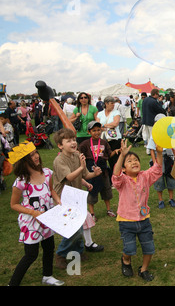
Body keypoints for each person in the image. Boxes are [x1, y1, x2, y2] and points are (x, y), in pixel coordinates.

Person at [8, 142, 64, 286]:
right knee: (31, 254)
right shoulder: (21, 181)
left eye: (36, 152)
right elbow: (14, 204)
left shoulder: (47, 173)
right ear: (24, 161)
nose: (36, 156)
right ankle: (13, 283)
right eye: (31, 155)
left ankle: (47, 275)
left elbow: (51, 190)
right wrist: (33, 213)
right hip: (31, 222)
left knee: (49, 247)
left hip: (47, 217)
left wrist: (57, 200)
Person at [112, 139, 163, 281]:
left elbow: (157, 169)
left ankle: (143, 269)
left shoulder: (145, 176)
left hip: (144, 220)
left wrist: (159, 153)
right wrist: (122, 155)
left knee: (149, 248)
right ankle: (126, 260)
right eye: (129, 161)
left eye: (136, 160)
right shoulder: (122, 180)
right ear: (123, 168)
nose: (134, 162)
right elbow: (115, 176)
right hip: (126, 222)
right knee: (129, 249)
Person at [52, 128, 103, 269]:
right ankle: (61, 254)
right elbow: (69, 177)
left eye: (74, 139)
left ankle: (78, 252)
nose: (73, 142)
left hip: (76, 197)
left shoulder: (77, 156)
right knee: (73, 230)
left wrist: (95, 174)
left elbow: (85, 175)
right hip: (63, 199)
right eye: (68, 141)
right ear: (60, 146)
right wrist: (82, 167)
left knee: (79, 226)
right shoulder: (59, 160)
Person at [79, 121, 118, 220]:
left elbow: (109, 154)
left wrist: (116, 151)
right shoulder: (85, 144)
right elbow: (79, 153)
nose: (96, 132)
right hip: (91, 170)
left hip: (103, 170)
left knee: (106, 189)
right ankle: (92, 213)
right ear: (89, 132)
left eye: (98, 130)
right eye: (94, 130)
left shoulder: (104, 142)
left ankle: (109, 209)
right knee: (92, 191)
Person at [147, 114, 175, 209]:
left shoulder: (169, 134)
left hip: (169, 158)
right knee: (158, 180)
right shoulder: (154, 135)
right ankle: (160, 200)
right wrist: (154, 162)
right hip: (158, 158)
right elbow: (152, 149)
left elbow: (173, 147)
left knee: (170, 178)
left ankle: (171, 198)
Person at [96, 96, 121, 177]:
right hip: (104, 139)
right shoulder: (100, 113)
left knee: (116, 158)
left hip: (114, 138)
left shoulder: (116, 112)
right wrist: (108, 126)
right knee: (106, 158)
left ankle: (117, 176)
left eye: (114, 103)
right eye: (111, 103)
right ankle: (110, 177)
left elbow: (115, 123)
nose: (113, 105)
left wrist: (104, 125)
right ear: (106, 104)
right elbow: (98, 125)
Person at [141, 89, 166, 155]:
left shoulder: (145, 100)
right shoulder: (154, 101)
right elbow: (160, 110)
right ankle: (150, 150)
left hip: (145, 120)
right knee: (152, 137)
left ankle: (148, 150)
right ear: (155, 94)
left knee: (148, 136)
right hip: (152, 121)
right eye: (158, 94)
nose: (158, 96)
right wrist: (160, 102)